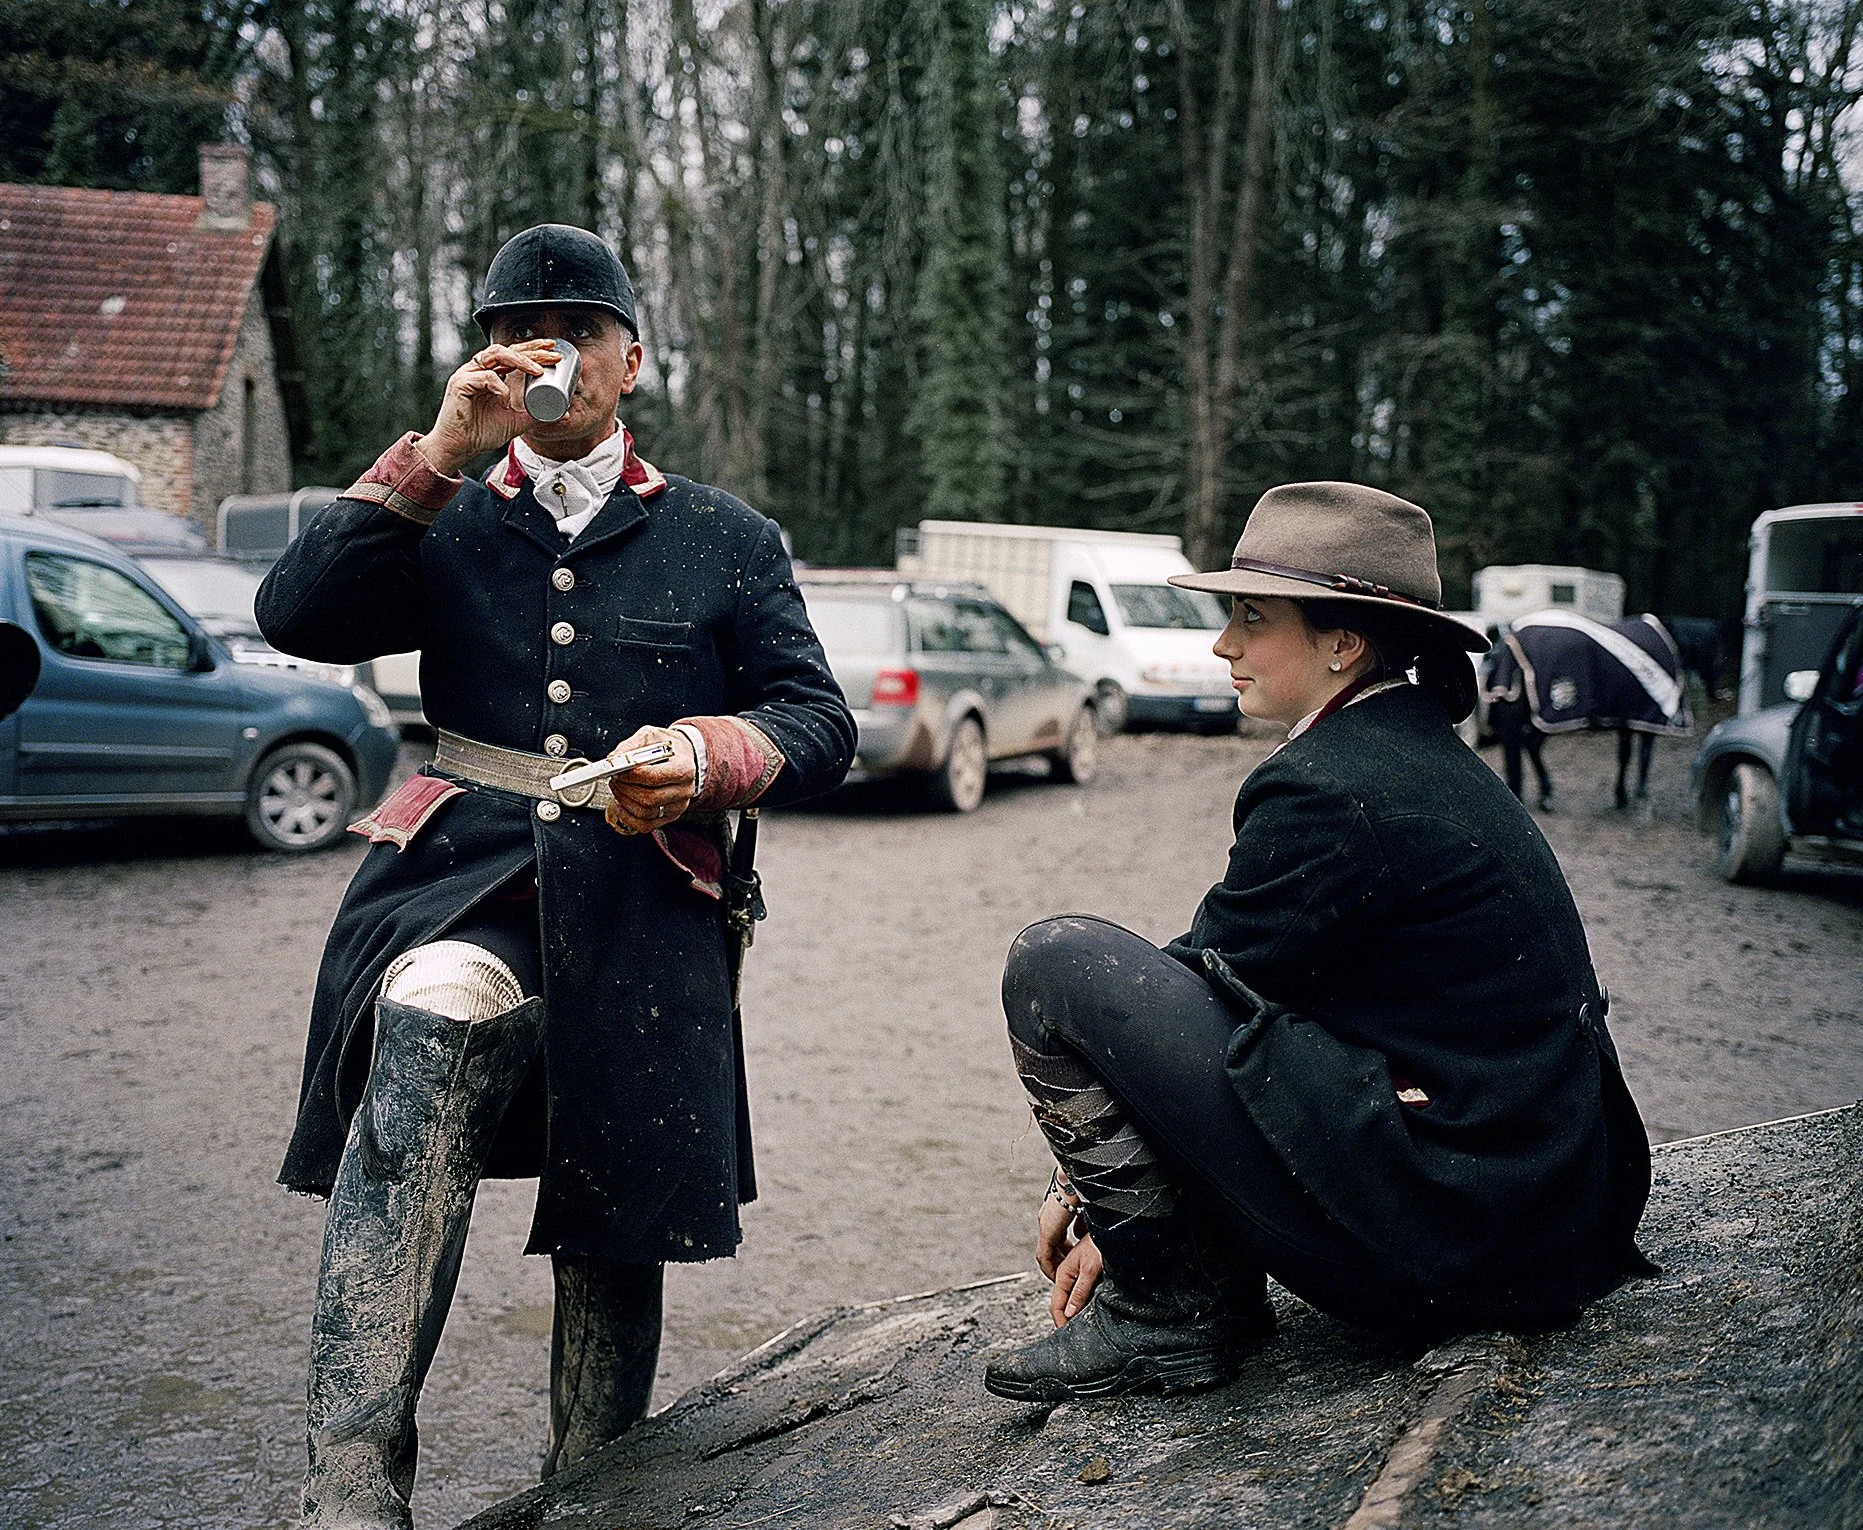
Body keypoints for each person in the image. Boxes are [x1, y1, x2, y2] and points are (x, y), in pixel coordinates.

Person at [256, 224, 854, 1528]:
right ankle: (350, 1493)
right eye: (519, 328)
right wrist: (434, 452)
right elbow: (295, 615)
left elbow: (819, 722)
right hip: (460, 878)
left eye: (578, 327)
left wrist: (701, 756)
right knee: (422, 1022)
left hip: (646, 894)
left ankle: (592, 1486)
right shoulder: (450, 516)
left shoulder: (725, 536)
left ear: (632, 355)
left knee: (616, 1188)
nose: (549, 352)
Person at [984, 481, 1653, 1403]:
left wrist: (1092, 1192)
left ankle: (1171, 1311)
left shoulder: (1332, 788)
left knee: (1057, 965)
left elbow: (1195, 987)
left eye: (1252, 619)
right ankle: (1191, 1287)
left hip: (1458, 1236)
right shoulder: (1408, 751)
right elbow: (1246, 983)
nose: (1223, 645)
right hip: (1533, 1212)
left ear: (1345, 642)